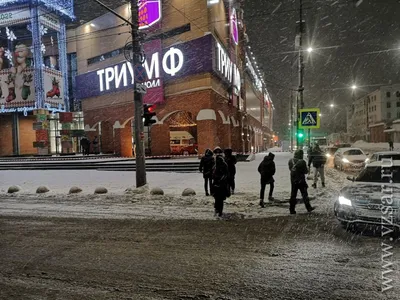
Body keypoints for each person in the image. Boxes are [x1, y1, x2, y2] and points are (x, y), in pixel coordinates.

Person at [288, 150, 315, 215]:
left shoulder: (290, 161)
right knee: (304, 194)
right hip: (301, 180)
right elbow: (305, 171)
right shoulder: (302, 162)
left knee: (293, 195)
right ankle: (308, 207)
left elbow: (290, 169)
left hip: (293, 180)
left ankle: (292, 209)